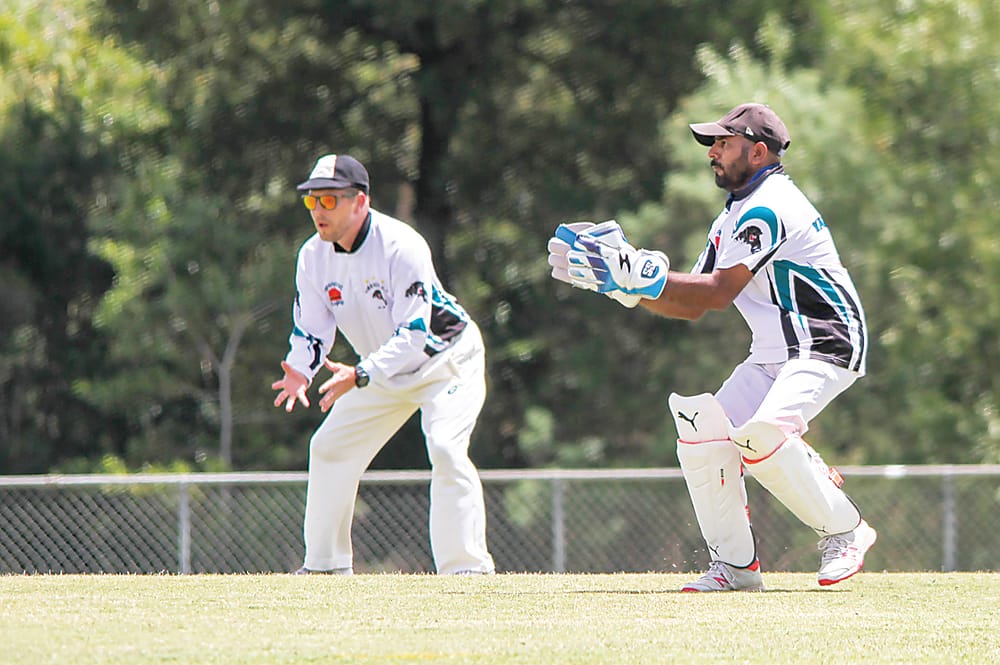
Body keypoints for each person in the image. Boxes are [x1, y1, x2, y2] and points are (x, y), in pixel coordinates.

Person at [547, 103, 876, 591]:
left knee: (762, 433)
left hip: (826, 340)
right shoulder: (733, 214)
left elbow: (717, 293)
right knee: (702, 433)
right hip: (775, 351)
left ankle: (846, 530)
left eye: (725, 143)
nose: (714, 153)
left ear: (759, 151)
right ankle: (736, 568)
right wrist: (625, 285)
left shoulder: (771, 206)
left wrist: (642, 277)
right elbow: (689, 303)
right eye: (713, 144)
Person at [272, 153, 496, 575]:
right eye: (311, 202)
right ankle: (326, 567)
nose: (319, 211)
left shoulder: (401, 245)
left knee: (446, 446)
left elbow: (412, 337)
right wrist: (300, 367)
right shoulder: (312, 257)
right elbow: (312, 329)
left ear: (360, 202)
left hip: (446, 361)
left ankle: (466, 570)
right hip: (380, 368)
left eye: (329, 200)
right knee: (329, 448)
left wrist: (360, 374)